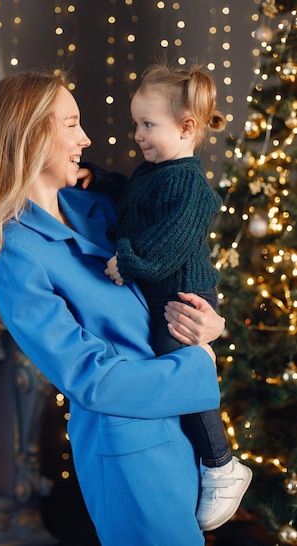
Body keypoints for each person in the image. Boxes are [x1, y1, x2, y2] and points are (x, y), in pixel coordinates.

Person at [0, 70, 226, 546]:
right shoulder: (13, 257)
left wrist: (209, 322)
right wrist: (197, 367)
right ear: (32, 134)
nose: (86, 138)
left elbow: (171, 272)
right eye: (72, 123)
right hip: (129, 451)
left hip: (182, 428)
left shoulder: (100, 207)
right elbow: (90, 378)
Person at [102, 61, 252, 532]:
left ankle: (222, 464)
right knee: (171, 374)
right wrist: (101, 181)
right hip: (165, 292)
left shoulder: (187, 181)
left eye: (148, 125)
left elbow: (170, 242)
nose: (138, 135)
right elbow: (134, 197)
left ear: (187, 128)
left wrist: (127, 261)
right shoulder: (154, 171)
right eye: (136, 125)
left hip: (186, 296)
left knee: (182, 369)